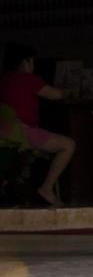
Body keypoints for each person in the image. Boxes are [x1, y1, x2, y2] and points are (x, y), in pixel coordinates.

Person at [0, 43, 74, 206]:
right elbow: (56, 95)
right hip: (21, 133)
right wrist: (68, 90)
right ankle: (47, 188)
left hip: (5, 135)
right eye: (32, 61)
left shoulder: (3, 79)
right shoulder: (28, 79)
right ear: (25, 62)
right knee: (68, 145)